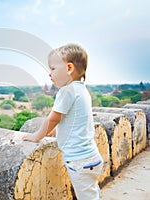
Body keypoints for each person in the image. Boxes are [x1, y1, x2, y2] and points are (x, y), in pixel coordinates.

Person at [22, 43, 103, 200]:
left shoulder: (67, 91)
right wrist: (52, 132)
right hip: (91, 157)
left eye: (52, 69)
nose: (49, 74)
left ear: (69, 68)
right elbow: (71, 121)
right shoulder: (82, 90)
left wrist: (36, 136)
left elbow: (53, 118)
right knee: (91, 192)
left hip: (79, 160)